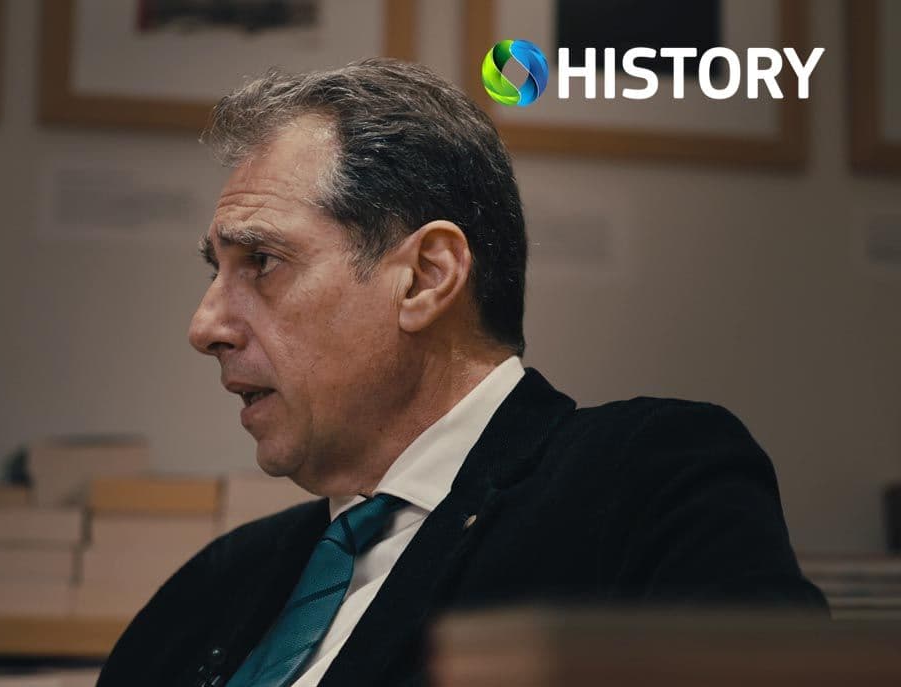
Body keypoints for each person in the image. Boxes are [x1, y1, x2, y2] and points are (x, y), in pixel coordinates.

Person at [98, 58, 825, 687]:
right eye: (215, 270)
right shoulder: (218, 580)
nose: (205, 327)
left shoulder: (646, 482)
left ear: (425, 277)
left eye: (261, 261)